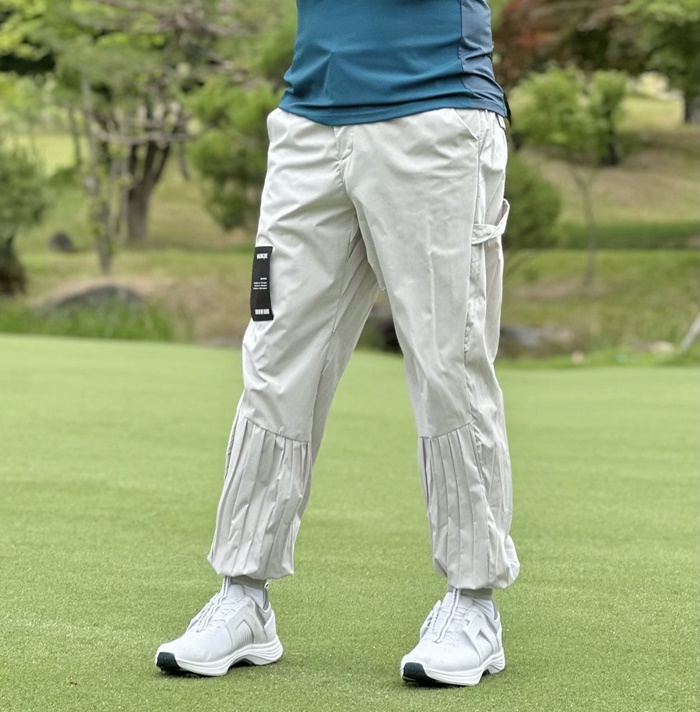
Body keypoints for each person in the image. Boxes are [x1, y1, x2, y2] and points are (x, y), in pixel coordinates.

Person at [155, 0, 520, 687]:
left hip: (435, 114)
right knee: (275, 359)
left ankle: (474, 605)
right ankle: (243, 594)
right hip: (310, 119)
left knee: (448, 362)